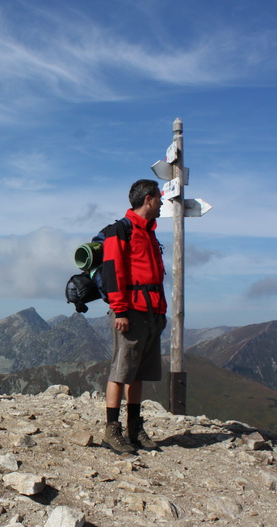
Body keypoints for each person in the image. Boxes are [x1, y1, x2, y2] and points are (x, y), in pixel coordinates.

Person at [99, 179, 167, 454]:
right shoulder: (121, 230)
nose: (163, 204)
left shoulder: (149, 233)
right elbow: (112, 271)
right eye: (159, 199)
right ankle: (111, 430)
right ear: (148, 199)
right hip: (131, 311)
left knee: (137, 373)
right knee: (121, 371)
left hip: (151, 311)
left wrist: (160, 312)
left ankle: (134, 428)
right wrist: (120, 310)